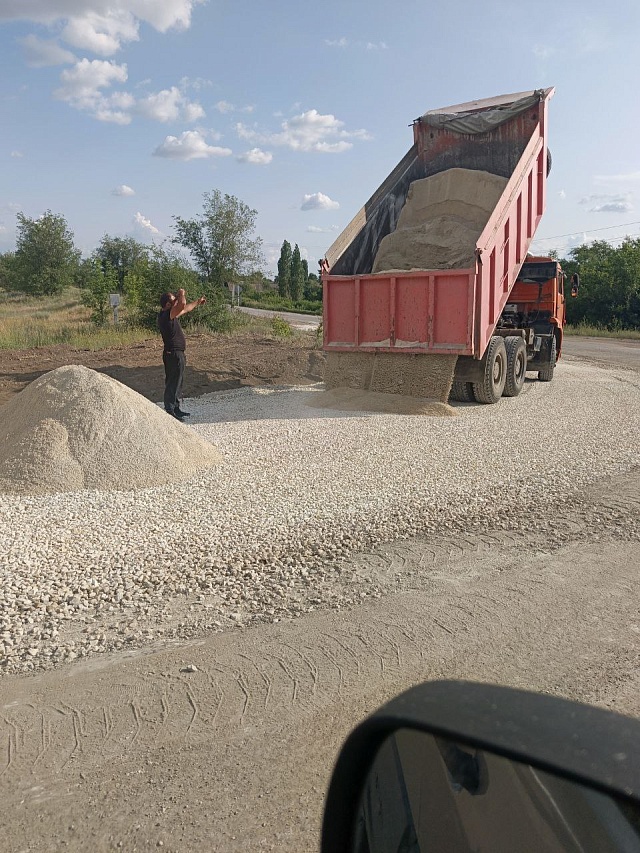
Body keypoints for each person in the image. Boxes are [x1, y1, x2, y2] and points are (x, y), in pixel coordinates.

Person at [157, 288, 206, 420]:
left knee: (177, 382)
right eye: (174, 301)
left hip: (175, 354)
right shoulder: (166, 316)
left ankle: (176, 408)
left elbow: (185, 308)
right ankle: (170, 409)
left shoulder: (170, 314)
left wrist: (197, 302)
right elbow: (182, 305)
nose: (177, 301)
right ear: (168, 305)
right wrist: (182, 294)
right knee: (173, 382)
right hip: (173, 355)